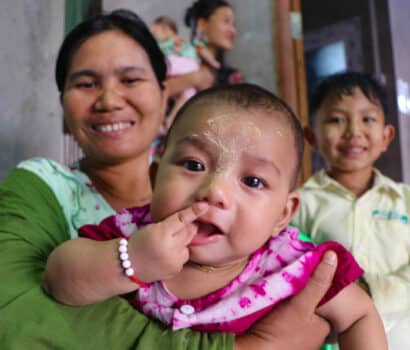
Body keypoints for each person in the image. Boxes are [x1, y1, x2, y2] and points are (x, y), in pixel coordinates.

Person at [0, 8, 341, 350]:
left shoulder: (258, 231)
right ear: (62, 102)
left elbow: (328, 304)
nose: (109, 100)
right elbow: (15, 318)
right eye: (86, 83)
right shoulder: (45, 186)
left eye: (130, 80)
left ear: (165, 95)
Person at [45, 84, 387, 349]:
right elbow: (58, 278)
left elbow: (360, 314)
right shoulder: (130, 235)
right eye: (194, 165)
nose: (214, 191)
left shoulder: (291, 268)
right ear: (154, 177)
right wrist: (131, 260)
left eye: (252, 181)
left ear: (283, 215)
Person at [291, 71, 410, 349]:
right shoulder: (299, 205)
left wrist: (369, 290)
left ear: (386, 135)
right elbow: (293, 271)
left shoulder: (405, 200)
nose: (353, 131)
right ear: (311, 136)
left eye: (367, 119)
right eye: (336, 119)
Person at [149, 15, 220, 134]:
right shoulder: (159, 45)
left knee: (187, 95)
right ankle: (162, 120)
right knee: (171, 94)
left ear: (166, 28)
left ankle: (170, 121)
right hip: (182, 67)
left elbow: (199, 47)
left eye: (154, 31)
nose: (153, 35)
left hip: (184, 66)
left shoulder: (177, 41)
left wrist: (212, 61)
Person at [166, 0, 244, 101]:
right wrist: (193, 78)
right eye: (226, 21)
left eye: (234, 25)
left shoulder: (232, 76)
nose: (233, 31)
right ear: (202, 24)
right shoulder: (176, 60)